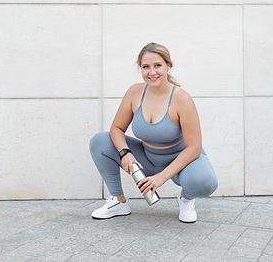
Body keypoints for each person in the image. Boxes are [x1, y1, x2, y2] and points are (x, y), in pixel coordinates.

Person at [89, 42, 218, 223]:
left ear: (168, 66)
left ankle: (186, 199)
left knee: (205, 182)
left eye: (158, 65)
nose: (152, 72)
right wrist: (125, 153)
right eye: (146, 67)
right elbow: (116, 129)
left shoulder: (182, 99)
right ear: (140, 69)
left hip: (181, 162)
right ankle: (118, 201)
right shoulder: (135, 92)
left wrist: (161, 178)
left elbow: (194, 148)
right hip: (147, 159)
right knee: (100, 141)